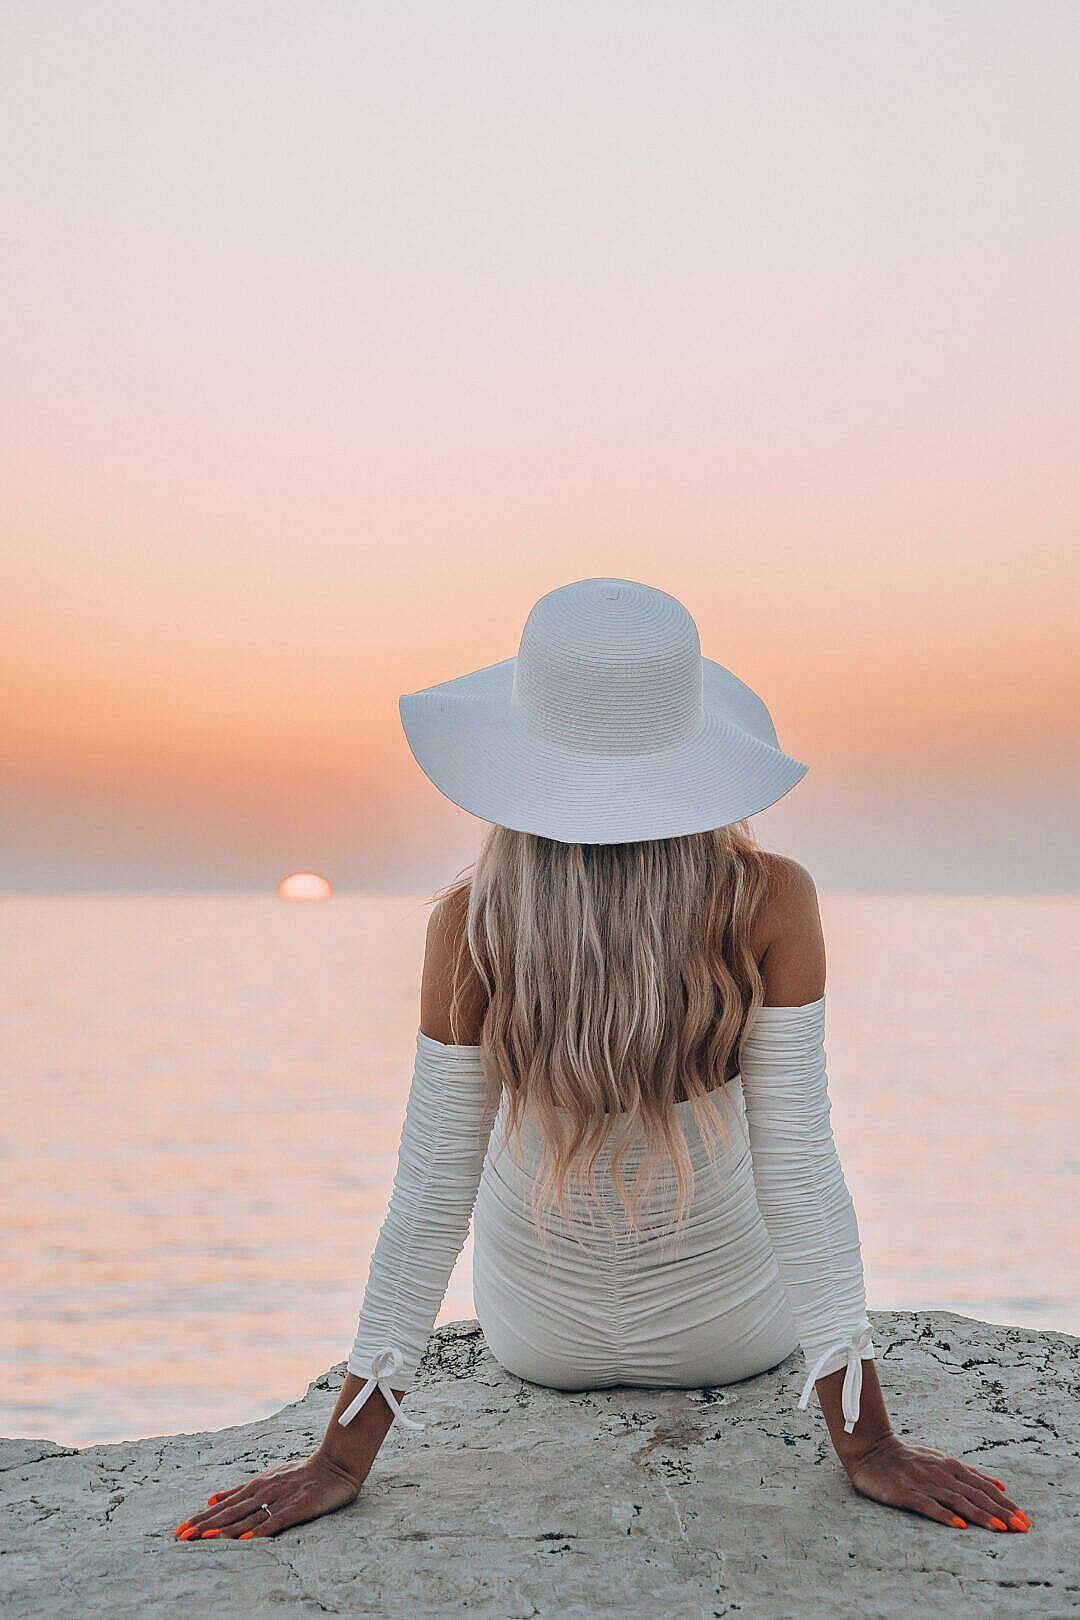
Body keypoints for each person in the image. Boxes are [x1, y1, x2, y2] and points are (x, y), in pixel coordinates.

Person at [173, 578, 1030, 1544]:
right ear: (695, 744)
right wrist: (869, 1447)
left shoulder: (473, 922)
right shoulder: (770, 899)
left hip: (538, 1341)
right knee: (761, 1175)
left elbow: (429, 1198)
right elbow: (800, 1179)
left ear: (523, 749)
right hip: (733, 1336)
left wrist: (339, 1460)